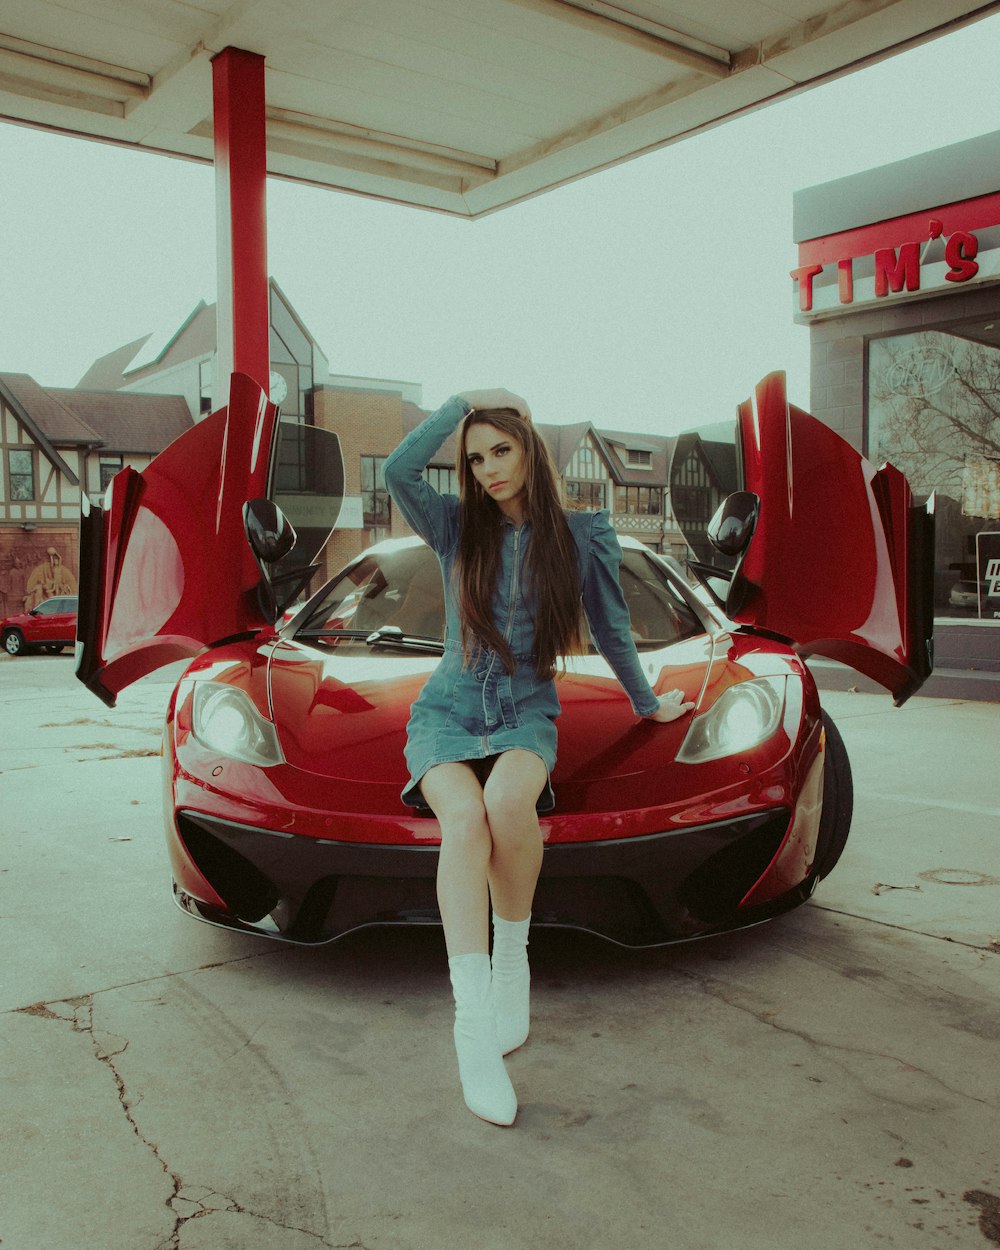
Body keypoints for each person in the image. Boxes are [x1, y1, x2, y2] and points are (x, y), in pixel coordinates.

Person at [382, 389, 694, 1126]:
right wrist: (461, 403)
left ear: (529, 451)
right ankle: (472, 1028)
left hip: (525, 708)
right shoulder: (456, 526)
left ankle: (513, 956)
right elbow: (399, 471)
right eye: (475, 456)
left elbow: (615, 631)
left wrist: (649, 704)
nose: (488, 468)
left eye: (500, 450)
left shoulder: (583, 535)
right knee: (462, 823)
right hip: (448, 709)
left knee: (505, 803)